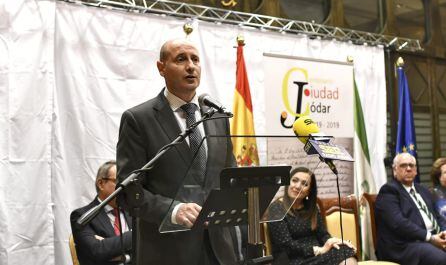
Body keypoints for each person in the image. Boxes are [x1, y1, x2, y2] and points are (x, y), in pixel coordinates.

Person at [116, 38, 238, 264]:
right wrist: (173, 210)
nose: (191, 66)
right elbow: (128, 191)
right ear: (161, 68)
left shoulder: (218, 117)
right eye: (181, 59)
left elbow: (229, 175)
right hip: (168, 251)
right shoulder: (139, 119)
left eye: (195, 59)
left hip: (219, 250)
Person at [268, 167, 357, 265]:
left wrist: (332, 242)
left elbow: (322, 234)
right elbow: (285, 244)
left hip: (317, 254)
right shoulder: (276, 208)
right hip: (292, 258)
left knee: (345, 250)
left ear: (309, 190)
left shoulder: (311, 207)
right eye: (294, 180)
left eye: (304, 184)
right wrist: (318, 250)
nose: (297, 186)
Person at [375, 152, 446, 265]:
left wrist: (443, 232)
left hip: (429, 239)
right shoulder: (389, 191)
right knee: (442, 258)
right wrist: (430, 237)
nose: (408, 169)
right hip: (403, 246)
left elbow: (437, 215)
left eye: (411, 165)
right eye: (403, 165)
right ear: (394, 170)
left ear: (416, 170)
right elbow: (398, 223)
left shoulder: (423, 190)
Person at [70, 161, 132, 265]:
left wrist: (109, 246)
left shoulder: (132, 212)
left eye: (127, 182)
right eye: (119, 181)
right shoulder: (82, 216)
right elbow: (97, 251)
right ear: (101, 184)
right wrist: (135, 235)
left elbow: (147, 250)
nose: (125, 186)